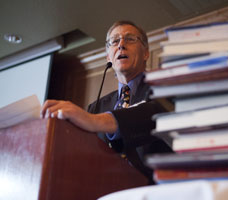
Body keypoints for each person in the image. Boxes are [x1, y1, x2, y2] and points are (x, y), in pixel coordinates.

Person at [40, 21, 172, 181]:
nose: (121, 45)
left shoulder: (166, 87)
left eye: (130, 39)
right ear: (108, 56)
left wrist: (93, 120)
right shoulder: (95, 107)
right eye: (115, 41)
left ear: (145, 53)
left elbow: (152, 115)